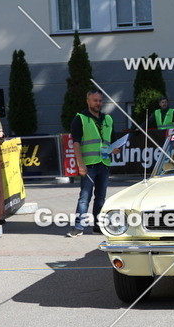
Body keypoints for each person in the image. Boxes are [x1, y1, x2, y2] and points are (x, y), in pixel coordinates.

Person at [67, 90, 120, 237]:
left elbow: (113, 142)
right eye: (95, 100)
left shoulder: (108, 119)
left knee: (101, 198)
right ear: (88, 101)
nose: (98, 103)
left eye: (100, 101)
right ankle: (78, 227)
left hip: (104, 163)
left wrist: (115, 150)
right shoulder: (80, 119)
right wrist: (80, 164)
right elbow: (76, 144)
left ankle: (98, 226)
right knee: (84, 198)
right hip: (88, 165)